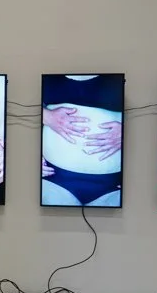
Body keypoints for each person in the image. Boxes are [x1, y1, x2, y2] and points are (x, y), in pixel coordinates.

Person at [40, 75, 124, 207]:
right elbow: (21, 111)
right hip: (53, 177)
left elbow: (150, 119)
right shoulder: (44, 74)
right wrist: (47, 116)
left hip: (114, 183)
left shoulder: (124, 76)